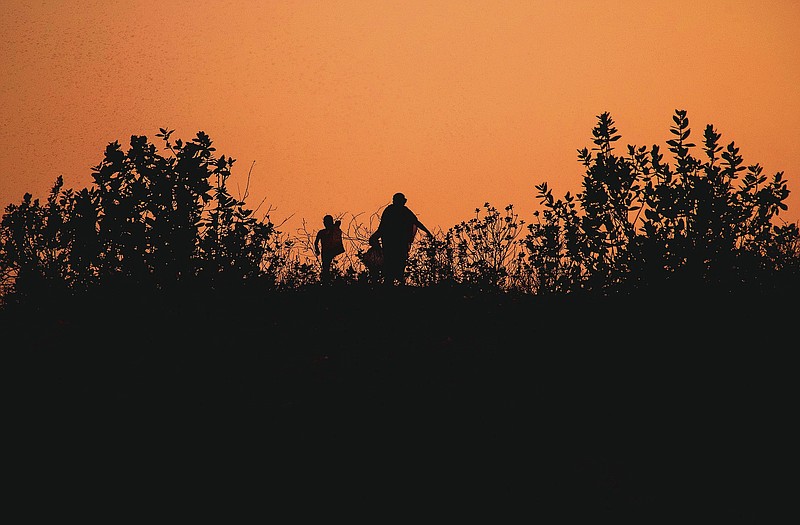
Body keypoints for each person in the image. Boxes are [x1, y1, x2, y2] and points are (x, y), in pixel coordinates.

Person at [369, 192, 433, 286]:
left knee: (395, 267)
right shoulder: (392, 211)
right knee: (392, 267)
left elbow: (415, 222)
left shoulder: (401, 211)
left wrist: (428, 232)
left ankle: (392, 285)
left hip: (396, 245)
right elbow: (383, 227)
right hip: (393, 245)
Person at [315, 214, 345, 284]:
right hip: (325, 252)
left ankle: (330, 281)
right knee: (325, 268)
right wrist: (317, 250)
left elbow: (337, 232)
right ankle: (326, 281)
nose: (325, 223)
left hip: (333, 251)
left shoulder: (334, 230)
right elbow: (316, 242)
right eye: (325, 222)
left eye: (327, 222)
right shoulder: (321, 232)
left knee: (329, 267)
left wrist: (336, 226)